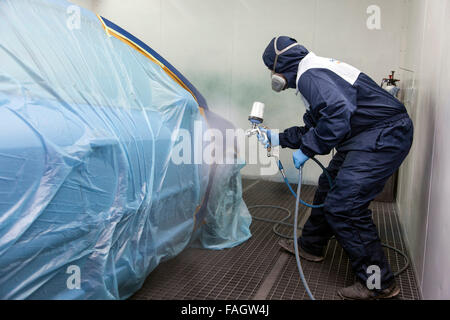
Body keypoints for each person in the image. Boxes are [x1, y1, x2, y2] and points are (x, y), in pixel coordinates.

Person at [259, 36, 413, 300]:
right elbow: (318, 124)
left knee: (345, 206)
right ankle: (311, 246)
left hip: (382, 135)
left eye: (272, 70)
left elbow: (338, 114)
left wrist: (307, 149)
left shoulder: (310, 75)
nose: (273, 77)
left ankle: (378, 284)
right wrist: (279, 138)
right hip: (365, 136)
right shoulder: (313, 72)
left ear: (281, 66)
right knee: (328, 185)